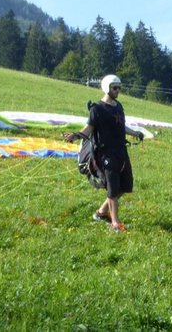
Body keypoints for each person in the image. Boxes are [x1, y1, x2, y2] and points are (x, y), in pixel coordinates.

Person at [65, 74, 144, 232]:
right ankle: (115, 223)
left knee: (125, 186)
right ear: (107, 88)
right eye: (114, 88)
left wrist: (136, 133)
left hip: (121, 151)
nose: (117, 91)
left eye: (119, 88)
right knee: (113, 188)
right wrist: (75, 136)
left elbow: (122, 126)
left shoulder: (119, 106)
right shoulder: (97, 109)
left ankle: (101, 213)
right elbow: (88, 129)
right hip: (105, 154)